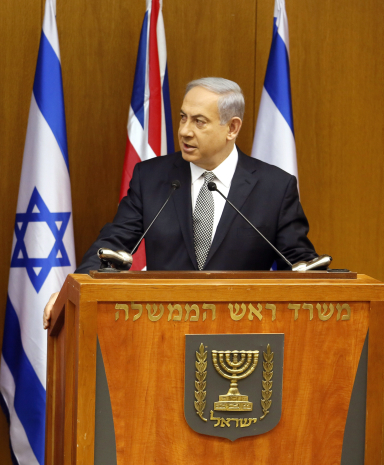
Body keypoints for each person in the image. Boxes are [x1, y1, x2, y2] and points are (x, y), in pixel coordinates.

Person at [43, 77, 318, 328]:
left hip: (241, 337)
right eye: (183, 118)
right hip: (164, 331)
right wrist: (71, 292)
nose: (185, 131)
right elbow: (114, 244)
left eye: (199, 122)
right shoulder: (151, 178)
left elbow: (299, 266)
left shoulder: (274, 187)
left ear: (232, 128)